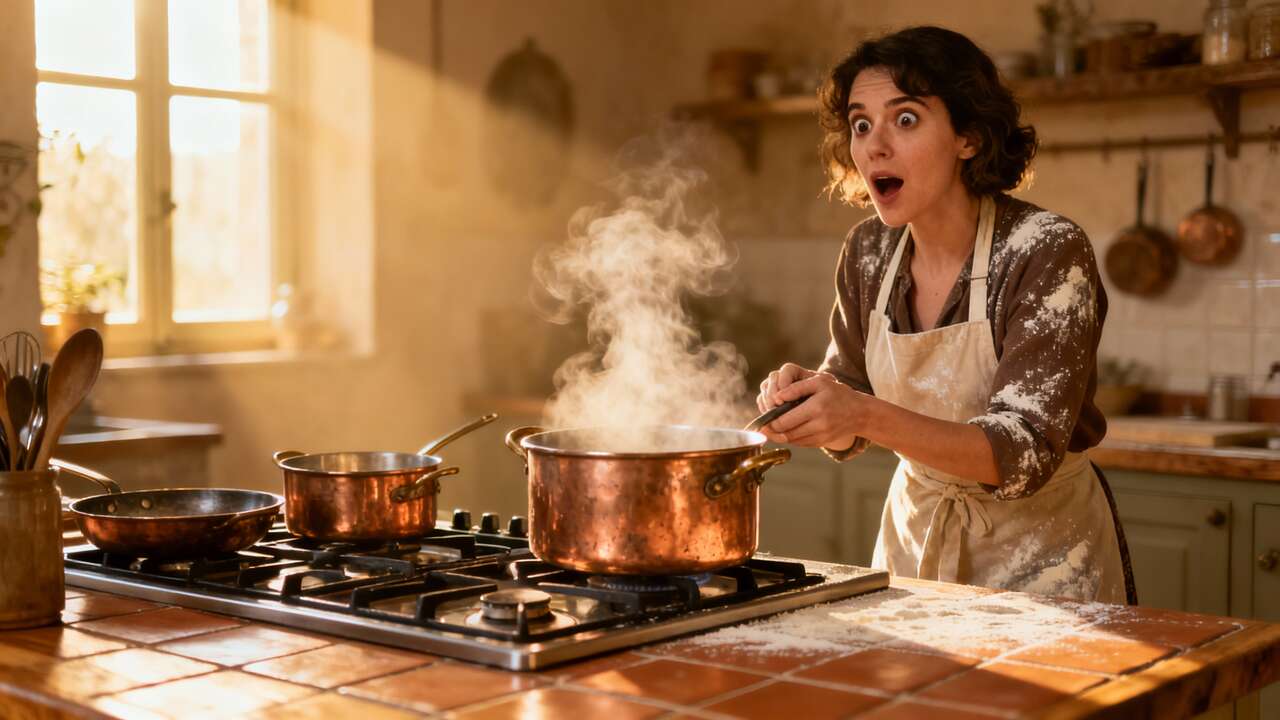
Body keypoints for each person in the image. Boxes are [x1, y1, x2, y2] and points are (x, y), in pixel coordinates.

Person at [756, 26, 1134, 604]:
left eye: (904, 120)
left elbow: (1021, 452)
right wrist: (812, 400)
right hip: (914, 547)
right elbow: (853, 389)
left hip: (1044, 560)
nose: (874, 147)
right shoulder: (868, 251)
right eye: (861, 124)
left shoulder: (1045, 249)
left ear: (970, 137)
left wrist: (860, 412)